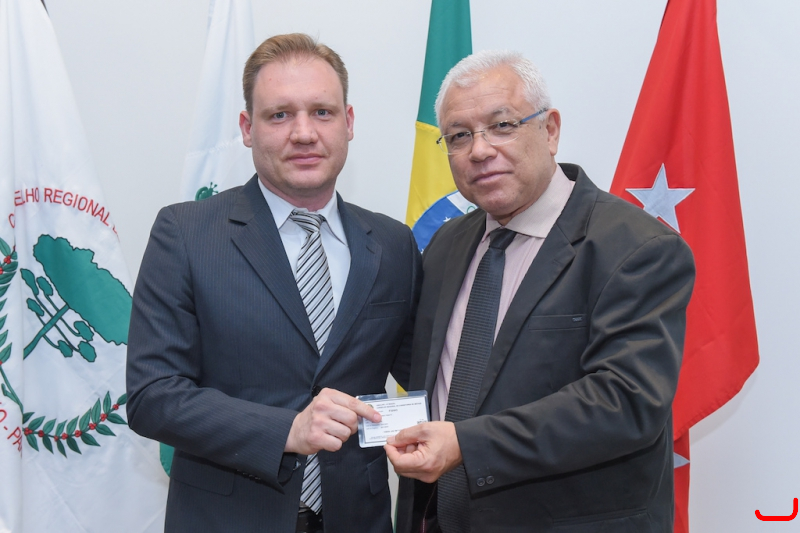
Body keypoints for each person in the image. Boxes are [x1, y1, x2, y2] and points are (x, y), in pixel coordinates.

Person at [387, 50, 695, 532]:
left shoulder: (637, 248)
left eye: (502, 125)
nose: (479, 150)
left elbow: (626, 402)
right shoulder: (446, 244)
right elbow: (434, 371)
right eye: (459, 136)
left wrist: (467, 444)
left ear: (550, 130)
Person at [126, 33, 421, 533]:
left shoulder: (393, 243)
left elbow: (432, 374)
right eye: (280, 115)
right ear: (248, 128)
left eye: (322, 112)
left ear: (349, 123)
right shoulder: (186, 234)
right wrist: (288, 429)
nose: (304, 133)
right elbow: (153, 397)